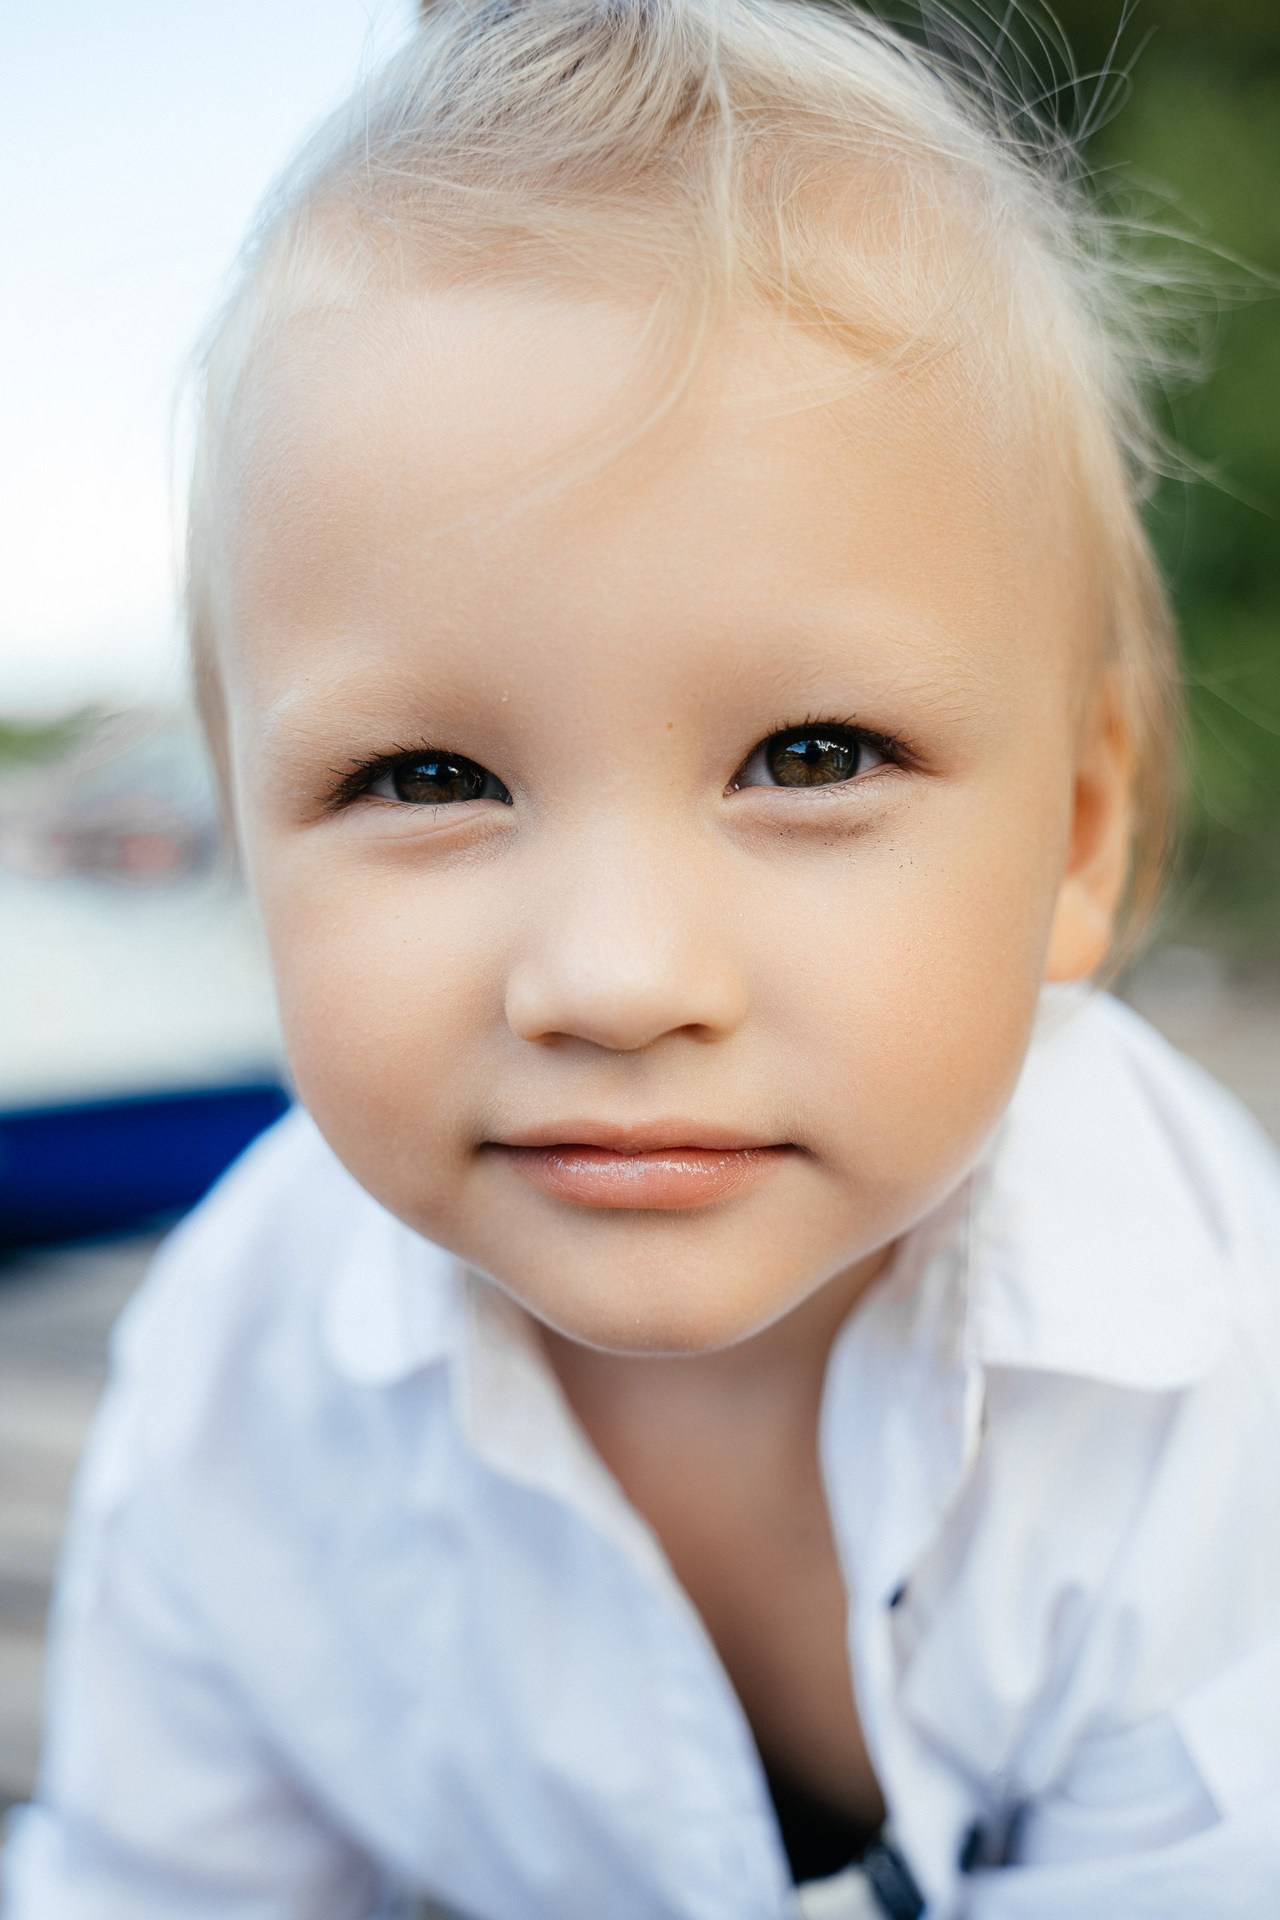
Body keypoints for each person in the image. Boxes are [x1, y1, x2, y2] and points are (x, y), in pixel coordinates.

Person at [6, 1, 1280, 1914]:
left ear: (1081, 834)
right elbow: (150, 1879)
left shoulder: (1202, 1378)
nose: (613, 980)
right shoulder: (238, 1373)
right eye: (426, 777)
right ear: (250, 844)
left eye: (814, 758)